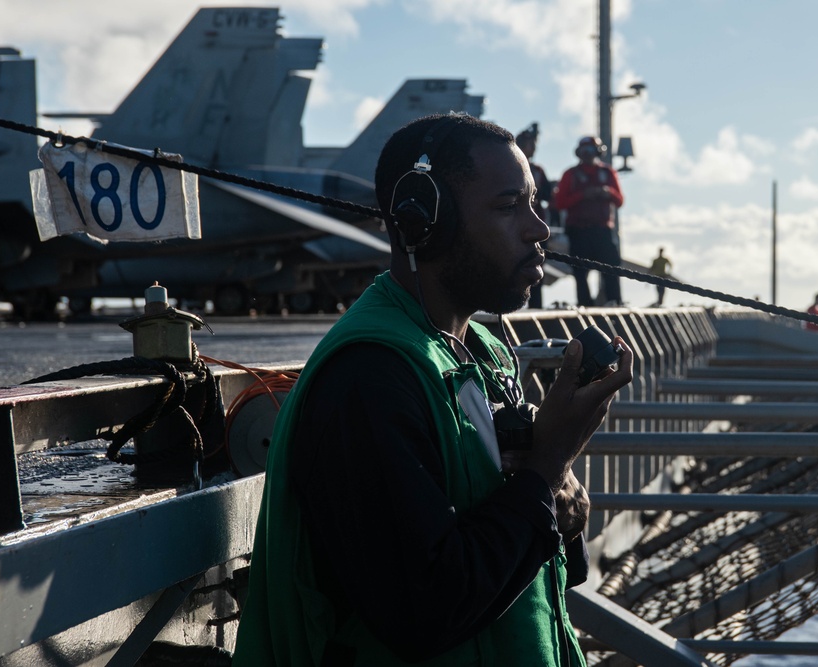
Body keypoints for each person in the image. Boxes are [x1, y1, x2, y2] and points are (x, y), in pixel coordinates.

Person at [233, 113, 634, 667]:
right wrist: (546, 468)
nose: (538, 228)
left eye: (534, 204)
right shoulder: (370, 377)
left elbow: (544, 572)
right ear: (422, 221)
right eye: (507, 206)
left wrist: (559, 498)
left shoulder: (485, 354)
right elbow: (423, 610)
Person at [553, 136, 624, 307]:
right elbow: (560, 203)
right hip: (579, 231)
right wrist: (583, 196)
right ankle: (585, 304)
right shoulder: (570, 174)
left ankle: (615, 302)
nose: (588, 155)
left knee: (611, 269)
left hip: (602, 231)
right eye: (585, 152)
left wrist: (607, 192)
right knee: (580, 272)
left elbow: (620, 200)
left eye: (591, 151)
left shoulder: (607, 173)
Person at [516, 123, 553, 308]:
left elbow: (548, 194)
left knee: (538, 264)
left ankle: (536, 304)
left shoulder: (537, 170)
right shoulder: (512, 169)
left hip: (536, 221)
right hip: (518, 226)